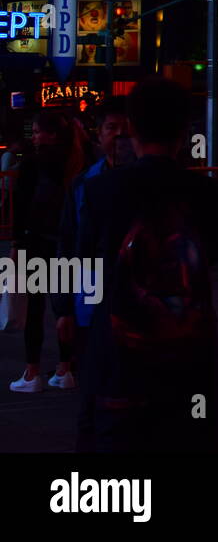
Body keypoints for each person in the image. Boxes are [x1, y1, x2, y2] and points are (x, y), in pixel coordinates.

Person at [71, 79, 218, 452]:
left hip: (120, 355)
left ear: (132, 128)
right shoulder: (208, 193)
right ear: (184, 131)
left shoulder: (100, 190)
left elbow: (86, 259)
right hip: (190, 354)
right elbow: (215, 253)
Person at [51, 99, 131, 403]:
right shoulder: (82, 183)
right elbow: (67, 244)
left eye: (125, 128)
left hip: (134, 300)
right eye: (112, 128)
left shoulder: (144, 182)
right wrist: (63, 309)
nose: (119, 135)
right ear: (99, 134)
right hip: (89, 300)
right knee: (93, 388)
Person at [9, 113, 83, 393]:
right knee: (64, 308)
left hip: (36, 242)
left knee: (35, 309)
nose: (35, 136)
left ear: (51, 135)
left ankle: (32, 372)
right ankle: (65, 368)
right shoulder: (76, 162)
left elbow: (22, 207)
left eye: (39, 132)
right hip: (67, 243)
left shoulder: (32, 163)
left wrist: (16, 244)